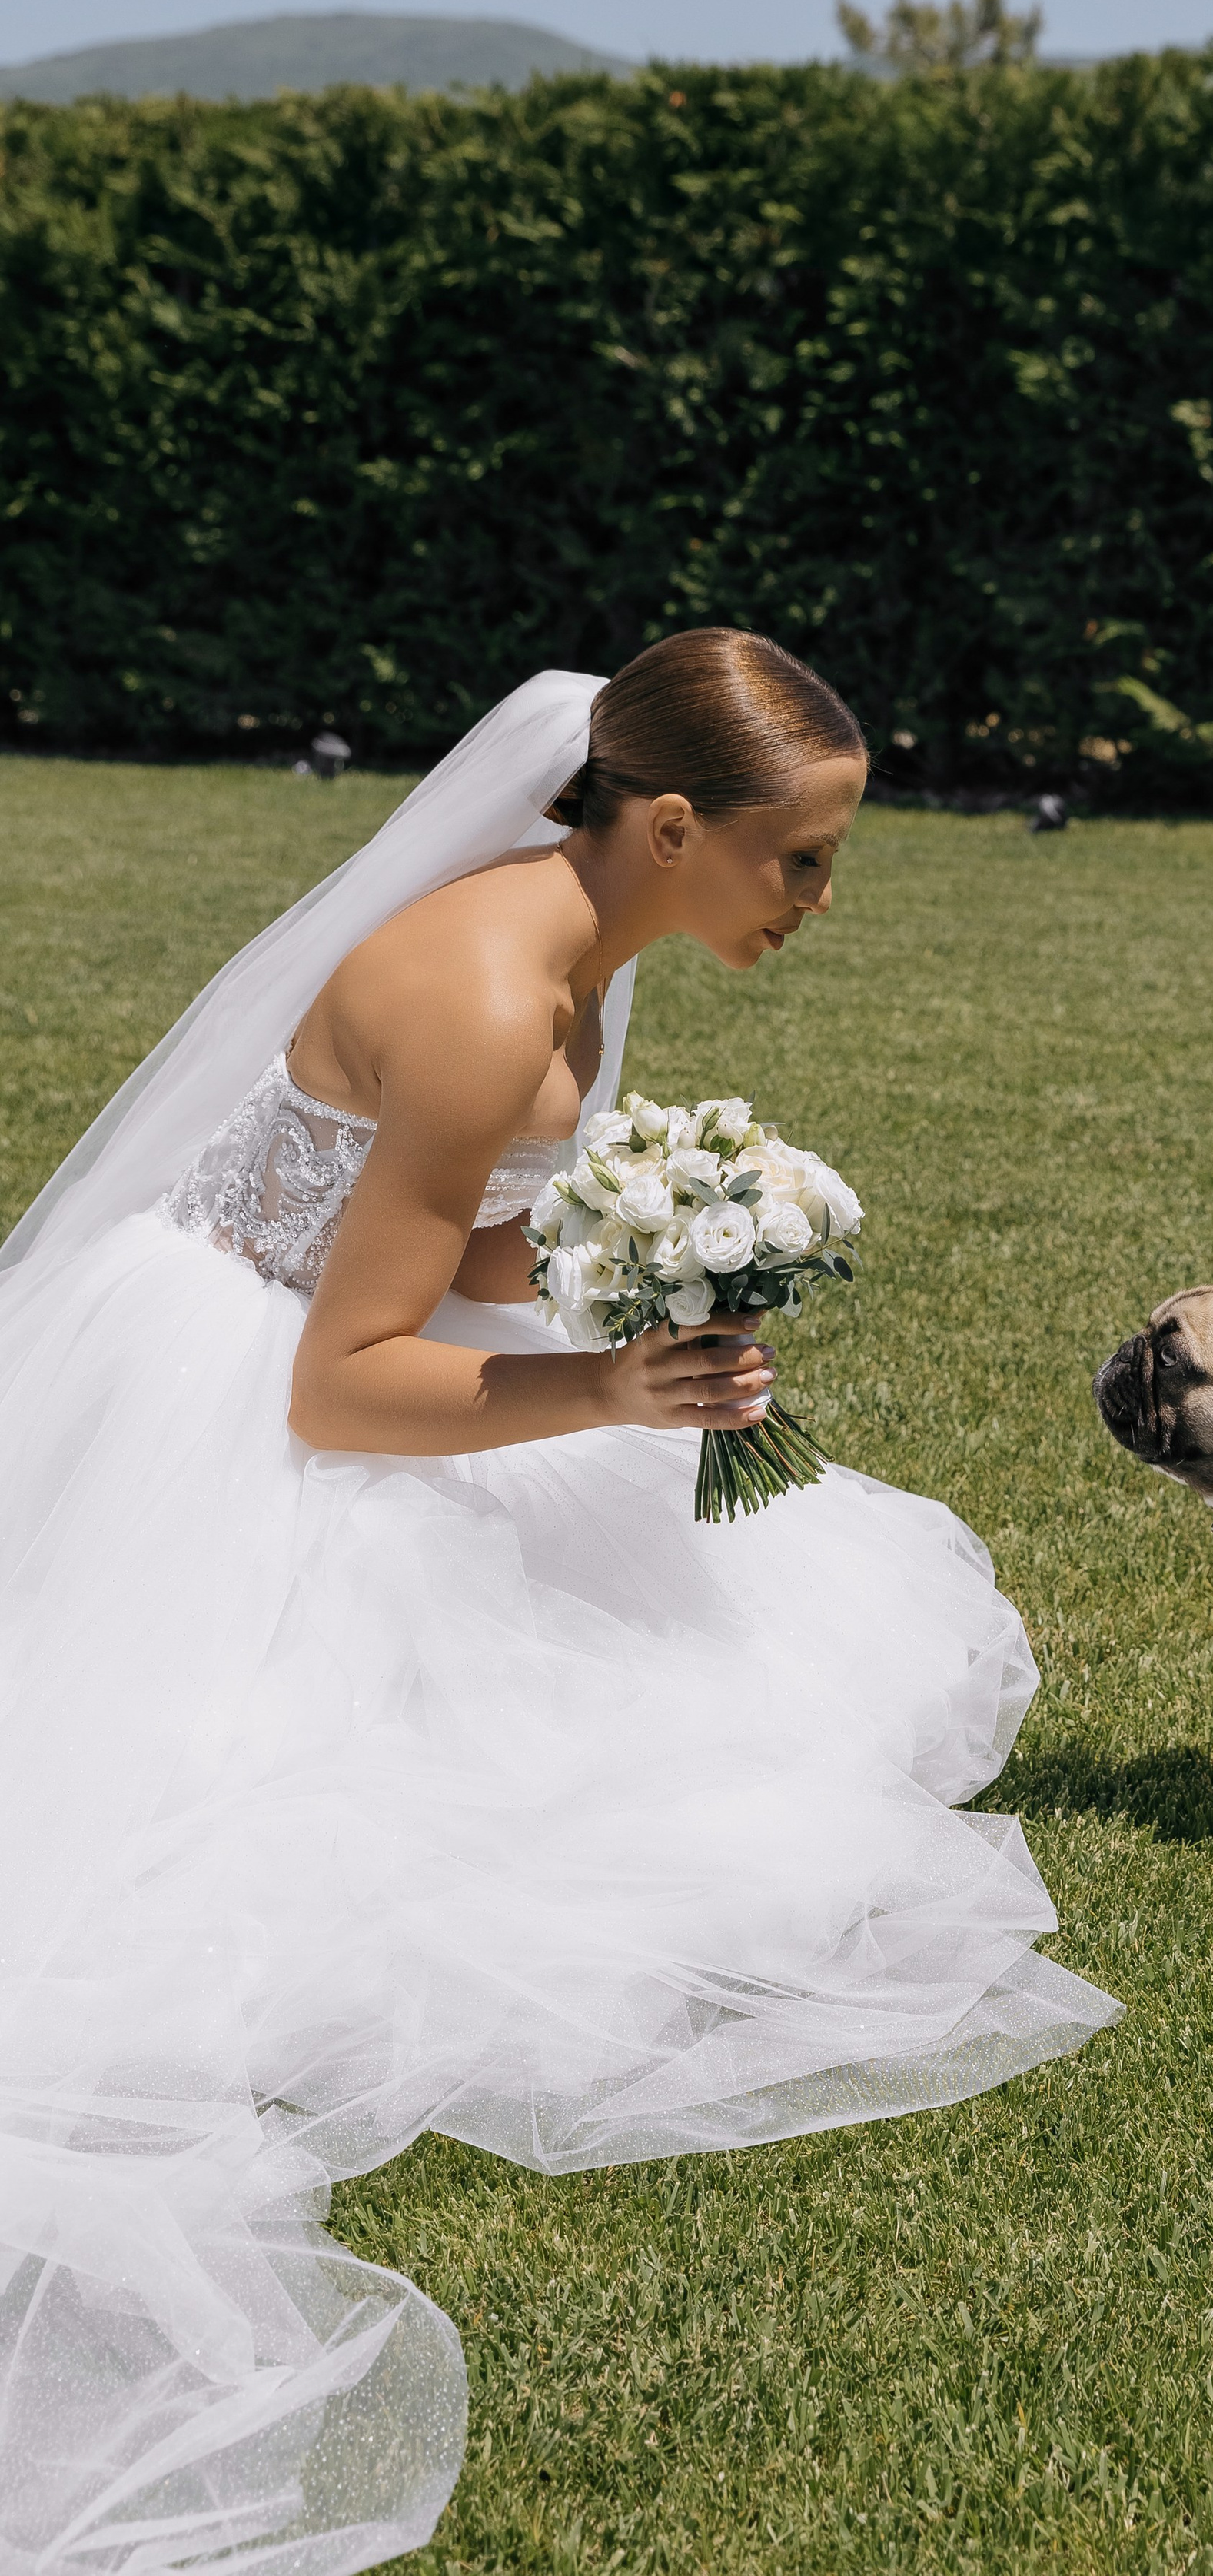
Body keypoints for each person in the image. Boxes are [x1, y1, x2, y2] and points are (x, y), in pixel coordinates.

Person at [0, 634, 1117, 2575]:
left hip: (362, 1330)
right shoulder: (484, 995)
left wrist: (646, 1277)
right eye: (798, 858)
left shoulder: (583, 959)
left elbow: (470, 1232)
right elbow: (341, 1383)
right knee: (297, 1826)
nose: (819, 898)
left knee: (712, 1660)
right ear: (669, 826)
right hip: (245, 1381)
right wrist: (607, 1388)